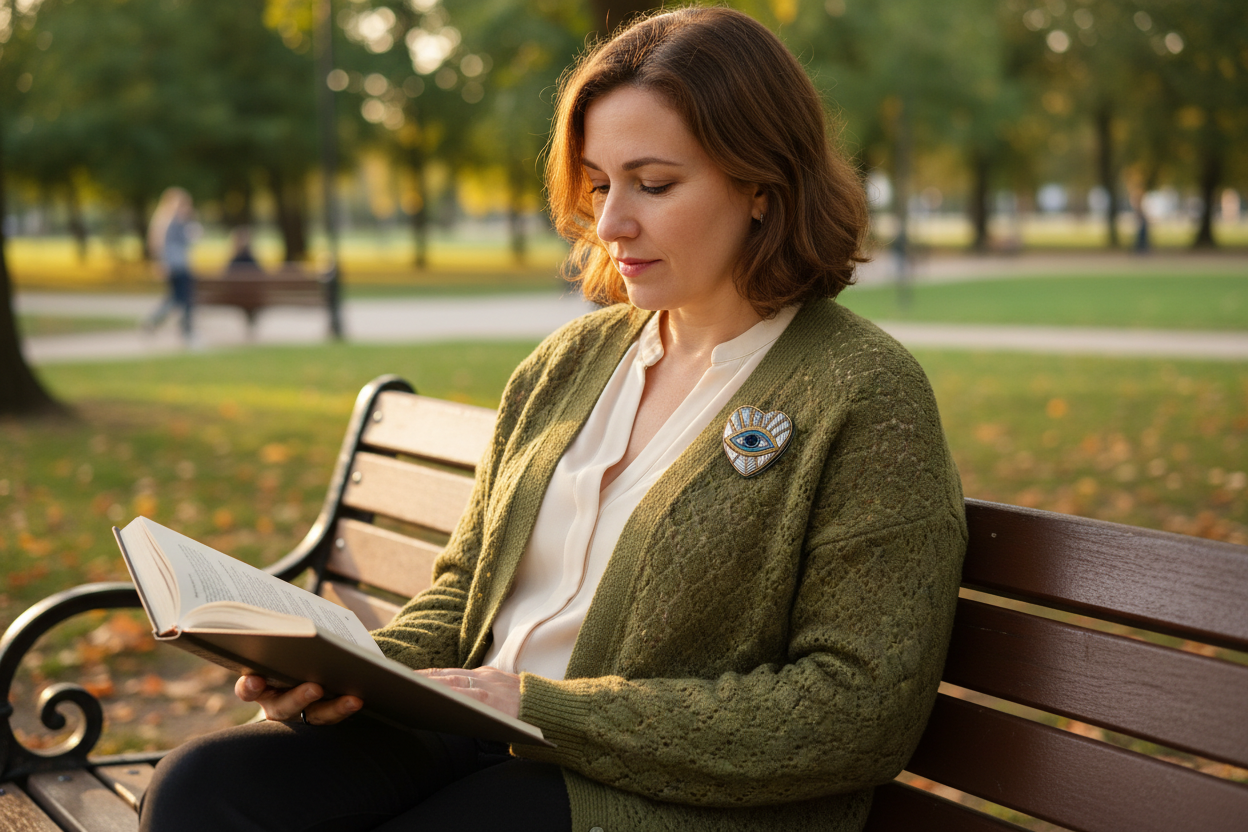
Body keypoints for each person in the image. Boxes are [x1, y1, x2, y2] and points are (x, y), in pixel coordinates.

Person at [140, 8, 967, 832]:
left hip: (659, 793)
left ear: (761, 184)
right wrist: (351, 668)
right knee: (203, 789)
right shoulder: (567, 364)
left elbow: (859, 709)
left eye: (655, 184)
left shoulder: (864, 391)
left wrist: (550, 711)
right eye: (602, 185)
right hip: (477, 728)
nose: (610, 225)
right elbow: (464, 592)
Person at [143, 187, 199, 341]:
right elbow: (161, 245)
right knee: (184, 298)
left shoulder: (175, 221)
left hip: (179, 264)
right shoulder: (170, 221)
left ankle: (154, 321)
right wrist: (162, 263)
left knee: (176, 298)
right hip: (176, 265)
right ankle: (187, 331)